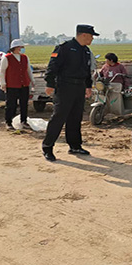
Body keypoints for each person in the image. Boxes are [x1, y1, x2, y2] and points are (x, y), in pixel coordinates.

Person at [42, 24, 98, 162]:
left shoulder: (86, 51)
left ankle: (75, 146)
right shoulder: (64, 48)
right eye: (91, 36)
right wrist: (50, 84)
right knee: (59, 117)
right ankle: (47, 147)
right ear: (83, 35)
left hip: (79, 87)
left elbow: (87, 71)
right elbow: (52, 66)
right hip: (65, 87)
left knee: (75, 118)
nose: (92, 39)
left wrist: (88, 86)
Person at [0, 39, 35, 130]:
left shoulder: (25, 57)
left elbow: (28, 70)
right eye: (21, 47)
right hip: (12, 84)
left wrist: (32, 80)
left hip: (24, 84)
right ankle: (8, 122)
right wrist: (2, 83)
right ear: (15, 48)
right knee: (11, 104)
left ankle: (24, 121)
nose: (22, 49)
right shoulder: (7, 58)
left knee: (24, 103)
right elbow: (2, 72)